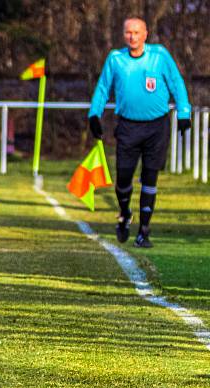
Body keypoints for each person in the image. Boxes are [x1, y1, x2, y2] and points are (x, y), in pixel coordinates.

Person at [88, 17, 191, 248]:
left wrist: (184, 112)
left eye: (136, 32)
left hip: (157, 126)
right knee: (123, 179)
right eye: (128, 32)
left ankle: (144, 231)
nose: (132, 37)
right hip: (128, 127)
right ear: (123, 35)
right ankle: (125, 214)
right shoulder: (116, 59)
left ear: (146, 34)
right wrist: (94, 115)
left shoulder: (160, 56)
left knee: (150, 177)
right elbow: (103, 88)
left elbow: (177, 83)